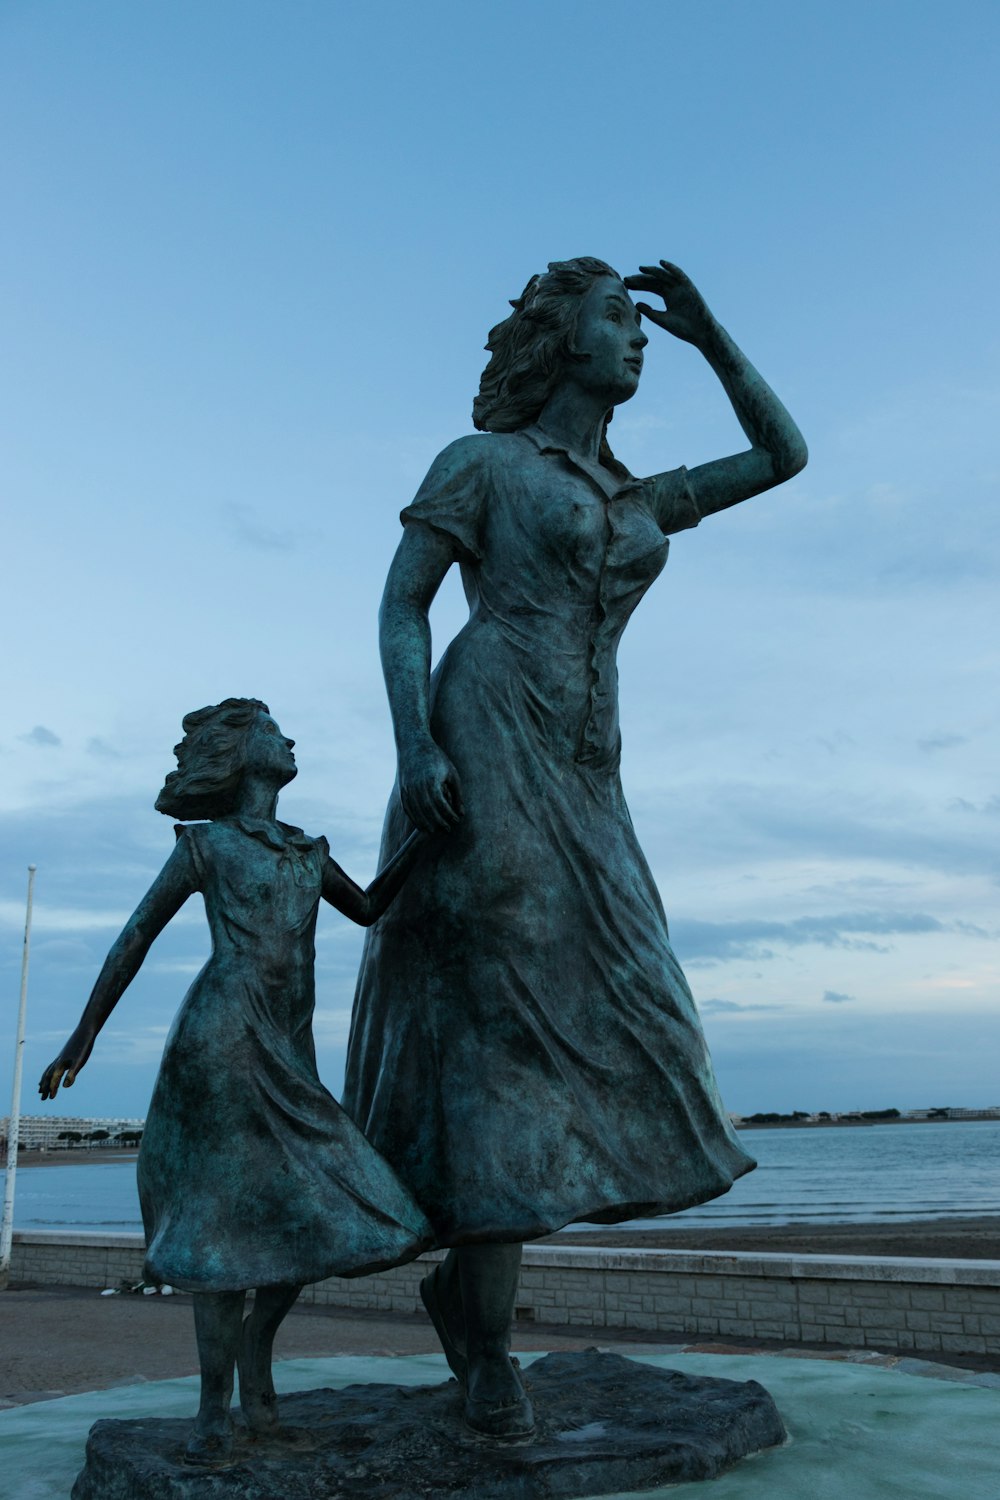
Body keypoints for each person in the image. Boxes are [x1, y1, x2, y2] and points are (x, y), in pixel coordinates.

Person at [343, 258, 808, 1437]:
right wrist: (414, 750)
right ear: (560, 342)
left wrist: (712, 337)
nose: (634, 337)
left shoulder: (636, 494)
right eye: (619, 319)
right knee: (496, 1026)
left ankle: (467, 1286)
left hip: (590, 772)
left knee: (644, 1006)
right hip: (483, 736)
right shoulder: (483, 465)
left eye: (641, 324)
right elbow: (403, 604)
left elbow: (782, 458)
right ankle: (491, 1350)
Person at [39, 698, 434, 1465]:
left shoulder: (306, 851)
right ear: (242, 754)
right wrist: (84, 1036)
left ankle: (257, 1365)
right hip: (219, 1041)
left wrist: (428, 829)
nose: (289, 738)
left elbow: (371, 906)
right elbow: (135, 938)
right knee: (223, 1232)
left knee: (316, 1214)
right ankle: (216, 1413)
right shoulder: (207, 847)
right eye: (272, 730)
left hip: (289, 1052)